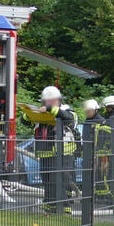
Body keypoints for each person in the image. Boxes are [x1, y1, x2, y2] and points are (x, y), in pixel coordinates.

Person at [23, 86, 78, 214]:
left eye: (49, 101)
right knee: (47, 180)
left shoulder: (68, 111)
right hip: (45, 153)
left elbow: (68, 118)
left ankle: (64, 208)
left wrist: (49, 109)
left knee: (60, 180)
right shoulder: (41, 114)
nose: (46, 104)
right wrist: (30, 112)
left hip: (63, 154)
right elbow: (25, 121)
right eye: (45, 101)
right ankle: (50, 205)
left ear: (57, 100)